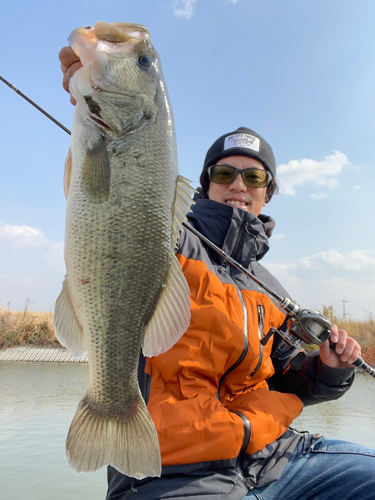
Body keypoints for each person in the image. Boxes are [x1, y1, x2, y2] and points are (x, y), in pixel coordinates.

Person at [59, 47, 375, 500]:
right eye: (225, 172)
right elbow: (111, 201)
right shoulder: (169, 238)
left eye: (255, 178)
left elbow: (287, 379)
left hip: (281, 458)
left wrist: (328, 369)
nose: (239, 186)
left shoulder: (272, 288)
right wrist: (95, 102)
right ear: (205, 183)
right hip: (177, 476)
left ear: (269, 194)